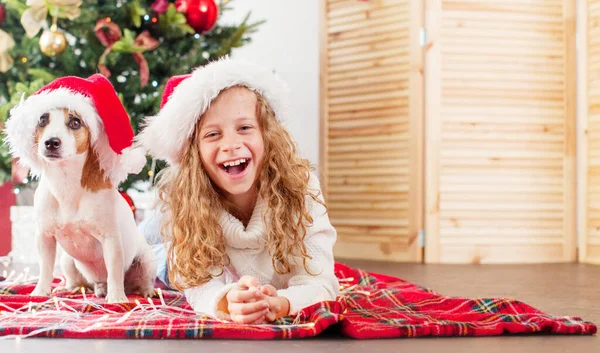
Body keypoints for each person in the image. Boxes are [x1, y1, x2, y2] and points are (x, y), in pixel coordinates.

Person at [137, 58, 339, 324]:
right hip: (163, 243)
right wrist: (225, 300)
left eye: (244, 128)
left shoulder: (301, 189)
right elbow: (198, 285)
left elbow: (321, 282)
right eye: (212, 134)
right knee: (145, 255)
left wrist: (280, 304)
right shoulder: (186, 200)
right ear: (194, 154)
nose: (231, 144)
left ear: (267, 136)